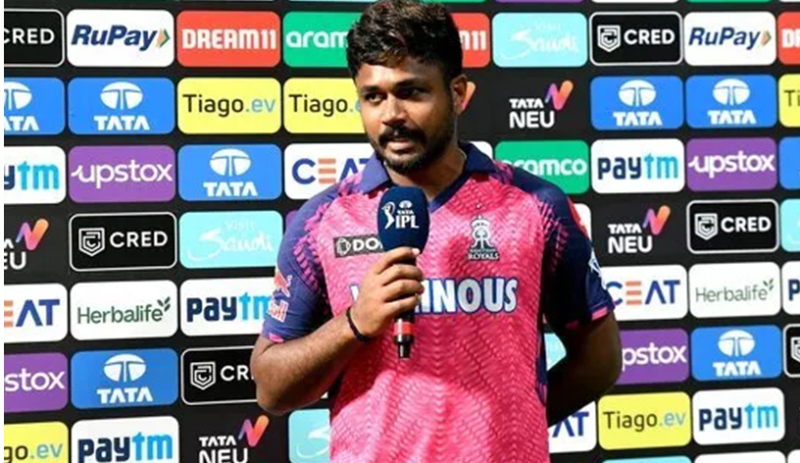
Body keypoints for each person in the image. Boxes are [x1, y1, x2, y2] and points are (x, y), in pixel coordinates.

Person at [250, 0, 622, 461]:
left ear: (458, 93)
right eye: (373, 97)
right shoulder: (321, 220)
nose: (391, 114)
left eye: (411, 92)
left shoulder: (537, 206)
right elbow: (271, 389)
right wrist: (354, 324)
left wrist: (510, 425)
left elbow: (600, 359)